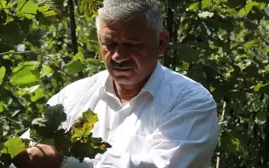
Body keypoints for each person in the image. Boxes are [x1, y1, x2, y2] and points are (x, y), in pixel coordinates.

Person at [13, 0, 219, 167]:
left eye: (132, 45)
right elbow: (24, 152)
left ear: (161, 43)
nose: (119, 56)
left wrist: (65, 162)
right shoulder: (72, 97)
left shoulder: (191, 101)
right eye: (109, 44)